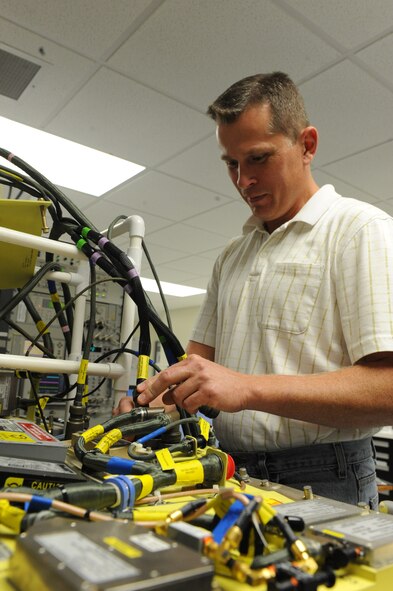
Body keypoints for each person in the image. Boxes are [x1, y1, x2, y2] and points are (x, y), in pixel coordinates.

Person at [116, 72, 393, 508]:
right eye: (231, 163)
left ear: (307, 145)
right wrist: (151, 405)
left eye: (259, 158)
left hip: (324, 477)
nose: (243, 180)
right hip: (225, 468)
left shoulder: (361, 232)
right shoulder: (232, 255)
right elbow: (198, 369)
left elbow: (388, 390)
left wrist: (248, 388)